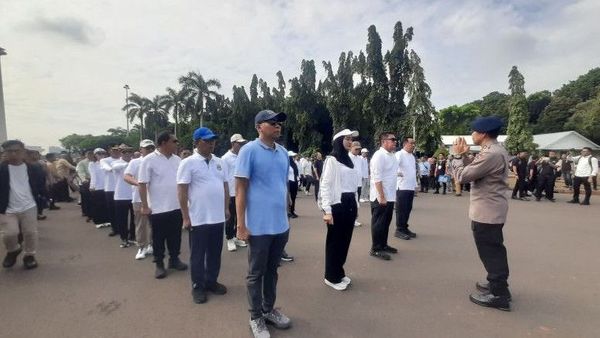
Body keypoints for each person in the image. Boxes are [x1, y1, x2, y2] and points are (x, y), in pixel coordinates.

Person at [235, 110, 292, 338]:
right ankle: (255, 317)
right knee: (255, 273)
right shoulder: (249, 150)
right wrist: (241, 224)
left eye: (279, 123)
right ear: (259, 126)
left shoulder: (283, 153)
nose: (277, 126)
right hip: (258, 226)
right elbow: (240, 189)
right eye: (272, 123)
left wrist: (287, 211)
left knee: (272, 271)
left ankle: (268, 310)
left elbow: (283, 185)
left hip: (280, 225)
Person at [450, 116, 512, 311]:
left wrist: (457, 157)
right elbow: (476, 170)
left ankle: (499, 294)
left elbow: (462, 176)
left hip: (487, 211)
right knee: (492, 249)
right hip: (490, 209)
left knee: (491, 251)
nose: (472, 135)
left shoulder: (491, 154)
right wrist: (466, 157)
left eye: (474, 131)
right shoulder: (492, 150)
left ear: (483, 134)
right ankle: (497, 285)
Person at [177, 127, 229, 304]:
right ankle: (197, 287)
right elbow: (182, 191)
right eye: (207, 141)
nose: (211, 143)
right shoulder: (188, 163)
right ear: (197, 142)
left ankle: (211, 281)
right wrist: (185, 216)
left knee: (215, 253)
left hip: (217, 217)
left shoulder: (219, 161)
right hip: (198, 218)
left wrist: (226, 208)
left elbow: (225, 186)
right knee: (198, 255)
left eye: (213, 140)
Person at [138, 132, 188, 279]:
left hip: (176, 206)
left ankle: (174, 259)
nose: (176, 144)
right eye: (174, 141)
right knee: (158, 238)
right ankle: (159, 264)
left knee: (175, 236)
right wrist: (145, 206)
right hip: (157, 208)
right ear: (164, 143)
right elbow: (142, 184)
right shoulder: (149, 160)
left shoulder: (177, 160)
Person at [320, 129, 359, 291]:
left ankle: (339, 271)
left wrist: (356, 206)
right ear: (339, 141)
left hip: (349, 203)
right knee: (335, 242)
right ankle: (331, 276)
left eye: (351, 139)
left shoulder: (349, 160)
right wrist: (327, 210)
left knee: (345, 241)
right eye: (347, 139)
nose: (350, 142)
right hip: (337, 204)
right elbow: (325, 185)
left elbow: (353, 186)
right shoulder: (332, 160)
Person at [0, 140, 46, 270]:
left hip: (29, 206)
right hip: (7, 208)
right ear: (5, 153)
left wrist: (43, 198)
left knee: (30, 232)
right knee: (9, 234)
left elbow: (40, 185)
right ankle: (13, 250)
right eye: (10, 151)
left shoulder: (34, 168)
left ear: (23, 152)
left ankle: (29, 256)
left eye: (17, 151)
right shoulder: (1, 169)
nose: (14, 154)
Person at [369, 132, 399, 261]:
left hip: (390, 195)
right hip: (380, 196)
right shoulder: (379, 155)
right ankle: (375, 249)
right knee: (379, 223)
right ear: (384, 141)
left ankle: (383, 245)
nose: (395, 141)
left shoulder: (391, 156)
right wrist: (381, 196)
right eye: (392, 140)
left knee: (386, 222)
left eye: (395, 139)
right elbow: (377, 178)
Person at [124, 139, 155, 260]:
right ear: (141, 149)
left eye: (151, 148)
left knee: (153, 223)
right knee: (140, 223)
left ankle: (152, 244)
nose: (149, 150)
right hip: (138, 198)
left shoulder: (157, 161)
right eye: (146, 148)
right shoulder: (135, 162)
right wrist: (139, 183)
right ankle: (142, 246)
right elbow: (126, 176)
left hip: (154, 198)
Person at [221, 133, 248, 252]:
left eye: (243, 144)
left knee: (240, 216)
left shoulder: (243, 156)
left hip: (242, 192)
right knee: (230, 217)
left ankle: (237, 236)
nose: (241, 146)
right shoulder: (225, 158)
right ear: (233, 144)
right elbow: (223, 178)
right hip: (231, 193)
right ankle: (229, 238)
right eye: (239, 143)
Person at [394, 137, 418, 240]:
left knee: (408, 208)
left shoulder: (412, 156)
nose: (413, 145)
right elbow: (392, 167)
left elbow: (412, 171)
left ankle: (404, 227)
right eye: (411, 143)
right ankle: (399, 230)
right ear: (405, 143)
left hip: (410, 186)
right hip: (402, 186)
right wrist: (397, 173)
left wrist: (415, 185)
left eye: (414, 143)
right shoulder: (399, 154)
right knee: (401, 209)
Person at [112, 145, 135, 248]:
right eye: (125, 152)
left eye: (130, 151)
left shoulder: (134, 162)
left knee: (135, 219)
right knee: (122, 219)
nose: (128, 154)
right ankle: (124, 238)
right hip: (120, 196)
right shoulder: (116, 163)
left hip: (133, 195)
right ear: (121, 153)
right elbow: (116, 167)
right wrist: (131, 164)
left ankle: (132, 237)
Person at [100, 146, 122, 236]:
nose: (116, 152)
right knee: (112, 210)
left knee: (121, 211)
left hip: (121, 189)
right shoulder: (104, 160)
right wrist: (117, 167)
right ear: (109, 151)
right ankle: (115, 228)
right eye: (113, 150)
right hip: (110, 188)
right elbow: (107, 168)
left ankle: (123, 228)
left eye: (118, 150)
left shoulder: (123, 159)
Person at [88, 148, 111, 229]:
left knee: (106, 205)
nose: (101, 155)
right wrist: (92, 186)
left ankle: (107, 220)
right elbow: (93, 176)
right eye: (99, 154)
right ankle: (99, 221)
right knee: (98, 205)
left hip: (107, 186)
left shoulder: (108, 162)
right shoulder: (92, 164)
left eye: (102, 153)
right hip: (97, 187)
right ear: (95, 155)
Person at [76, 150, 94, 221]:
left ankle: (94, 213)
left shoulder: (97, 162)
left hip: (95, 182)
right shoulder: (82, 163)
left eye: (92, 154)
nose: (90, 155)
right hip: (86, 182)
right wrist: (84, 179)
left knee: (94, 199)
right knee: (87, 199)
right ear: (86, 155)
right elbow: (80, 172)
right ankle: (88, 214)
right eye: (89, 154)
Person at [287, 151, 299, 218]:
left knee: (293, 197)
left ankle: (292, 210)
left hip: (295, 181)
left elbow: (296, 173)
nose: (294, 158)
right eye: (292, 157)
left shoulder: (294, 164)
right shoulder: (287, 164)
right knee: (288, 198)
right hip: (289, 182)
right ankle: (289, 212)